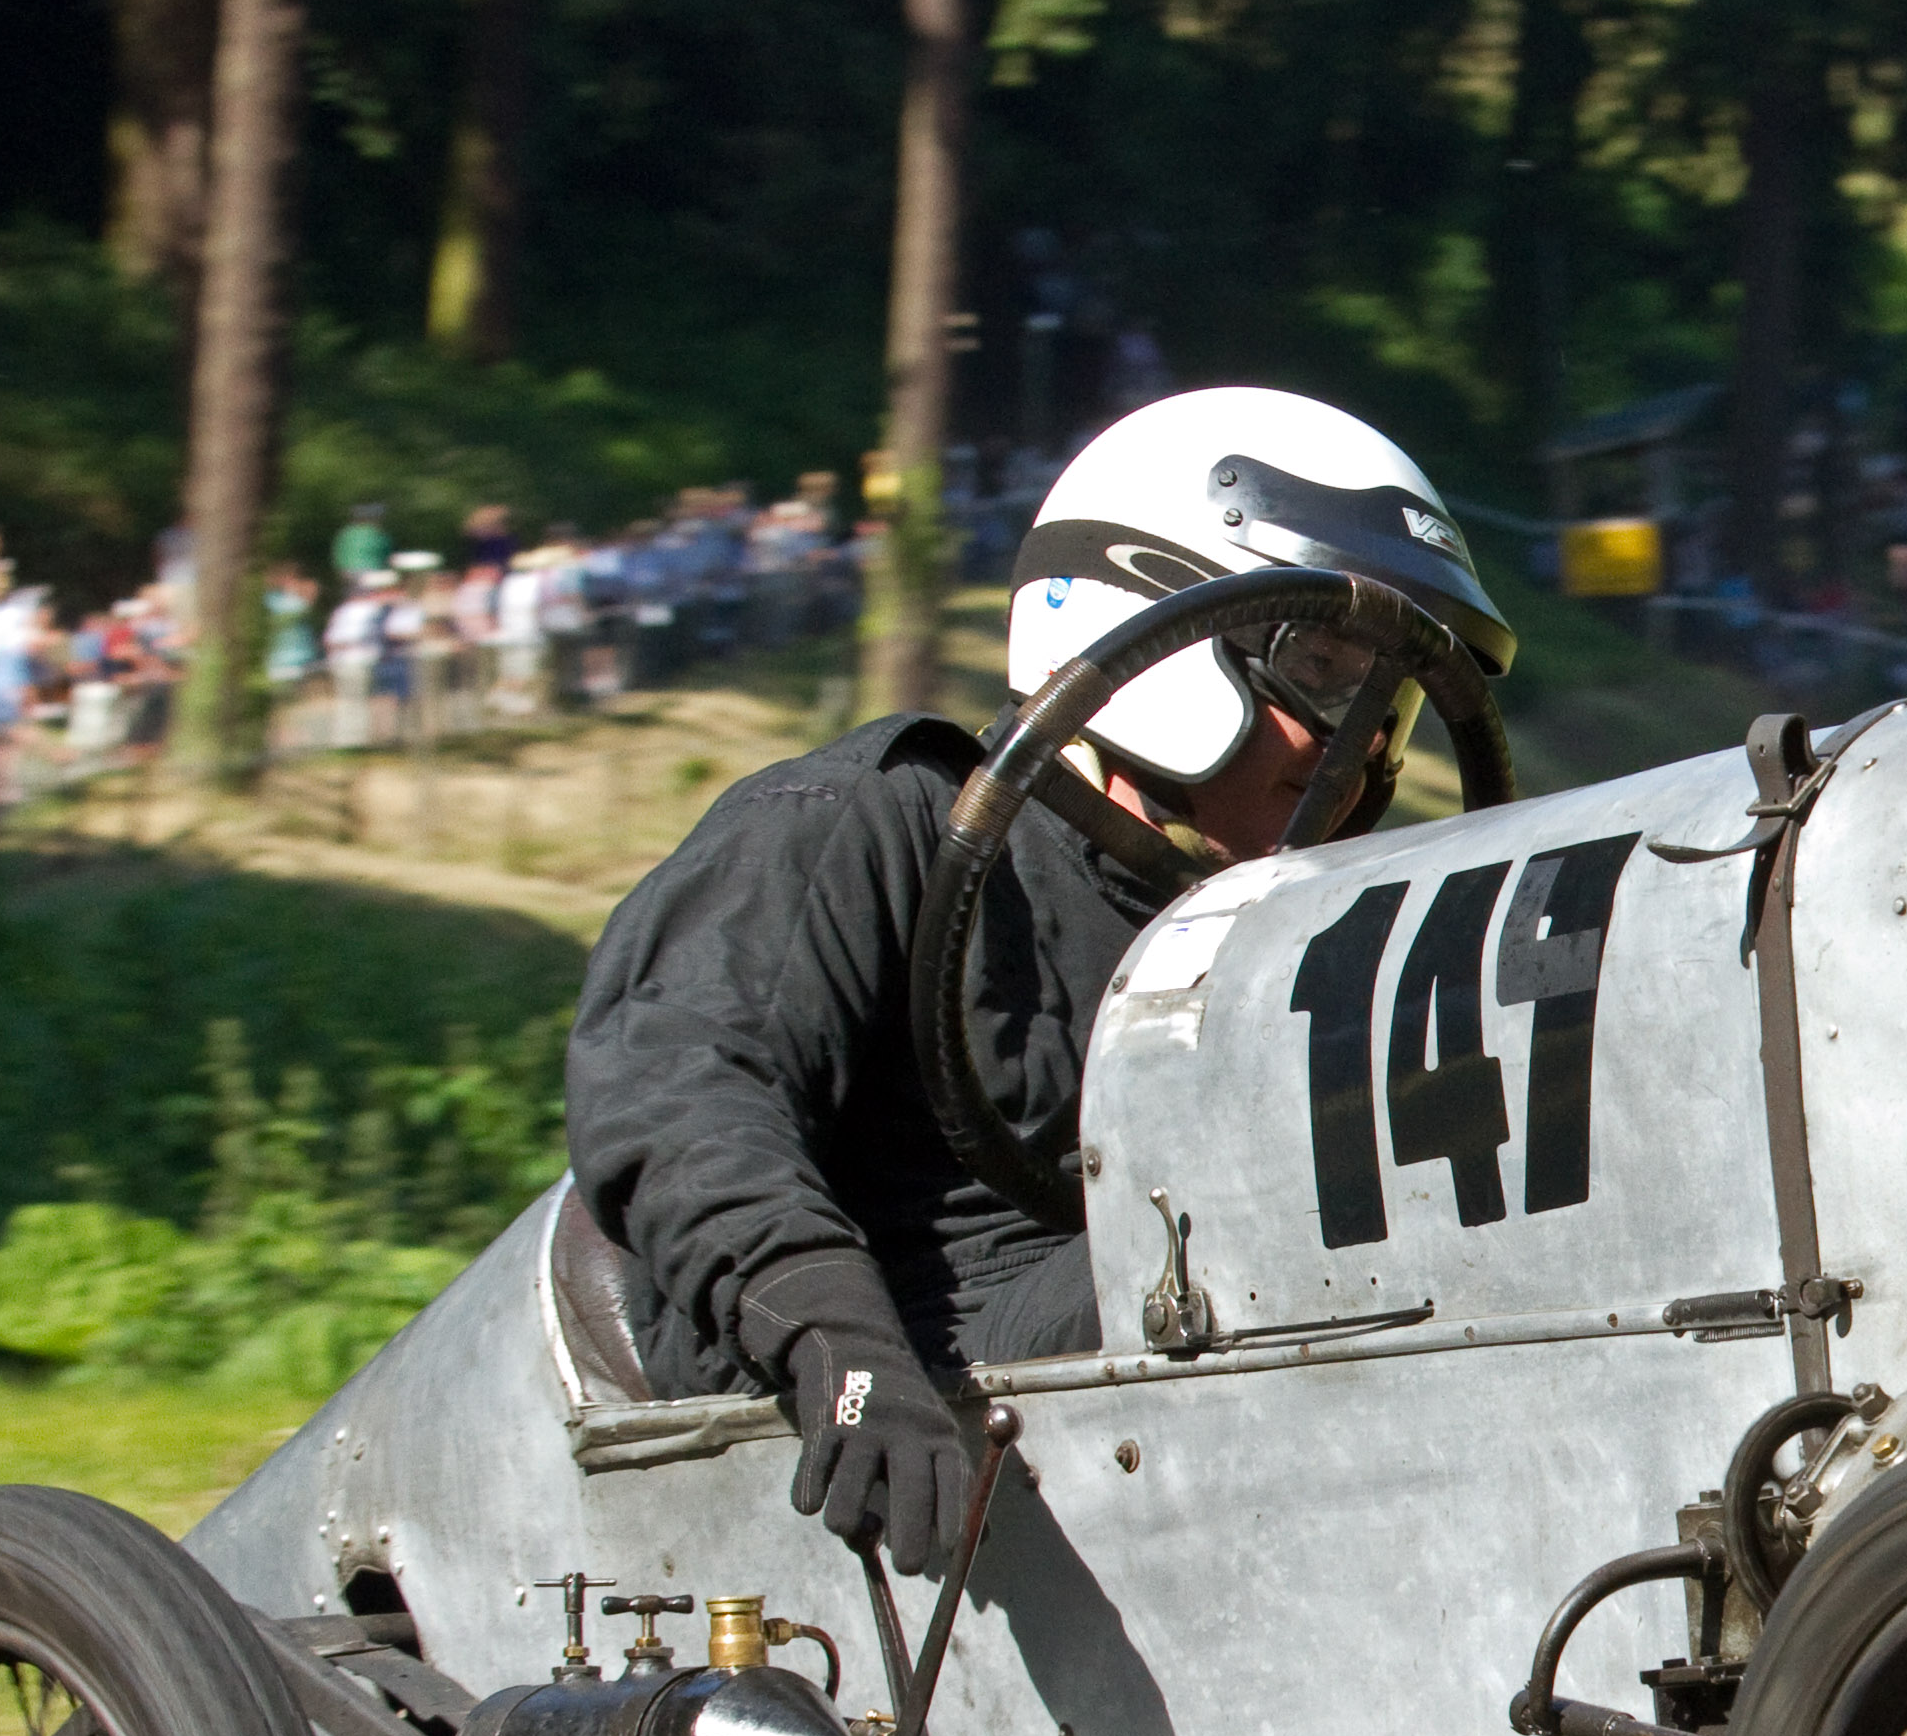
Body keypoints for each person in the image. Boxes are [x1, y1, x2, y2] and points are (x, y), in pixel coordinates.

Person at [565, 388, 1515, 1576]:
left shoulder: (1282, 929)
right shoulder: (876, 821)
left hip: (1124, 1375)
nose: (1368, 745)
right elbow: (673, 1087)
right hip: (892, 1359)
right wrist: (840, 1351)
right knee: (1258, 1239)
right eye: (1326, 669)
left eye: (1397, 703)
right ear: (1154, 628)